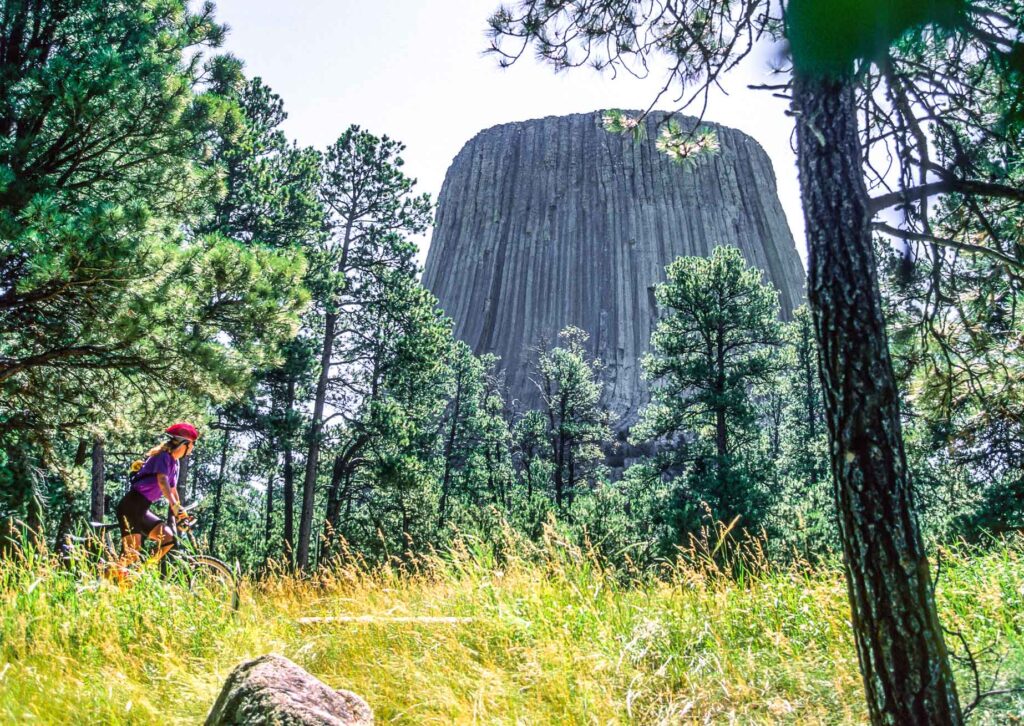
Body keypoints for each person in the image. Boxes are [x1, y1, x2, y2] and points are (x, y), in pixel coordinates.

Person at [115, 422, 199, 567]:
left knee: (168, 538)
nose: (193, 447)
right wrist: (173, 505)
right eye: (192, 444)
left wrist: (180, 513)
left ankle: (142, 573)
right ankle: (105, 581)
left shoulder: (175, 462)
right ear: (183, 444)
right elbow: (162, 481)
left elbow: (172, 490)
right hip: (131, 506)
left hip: (142, 509)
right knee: (131, 553)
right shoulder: (163, 457)